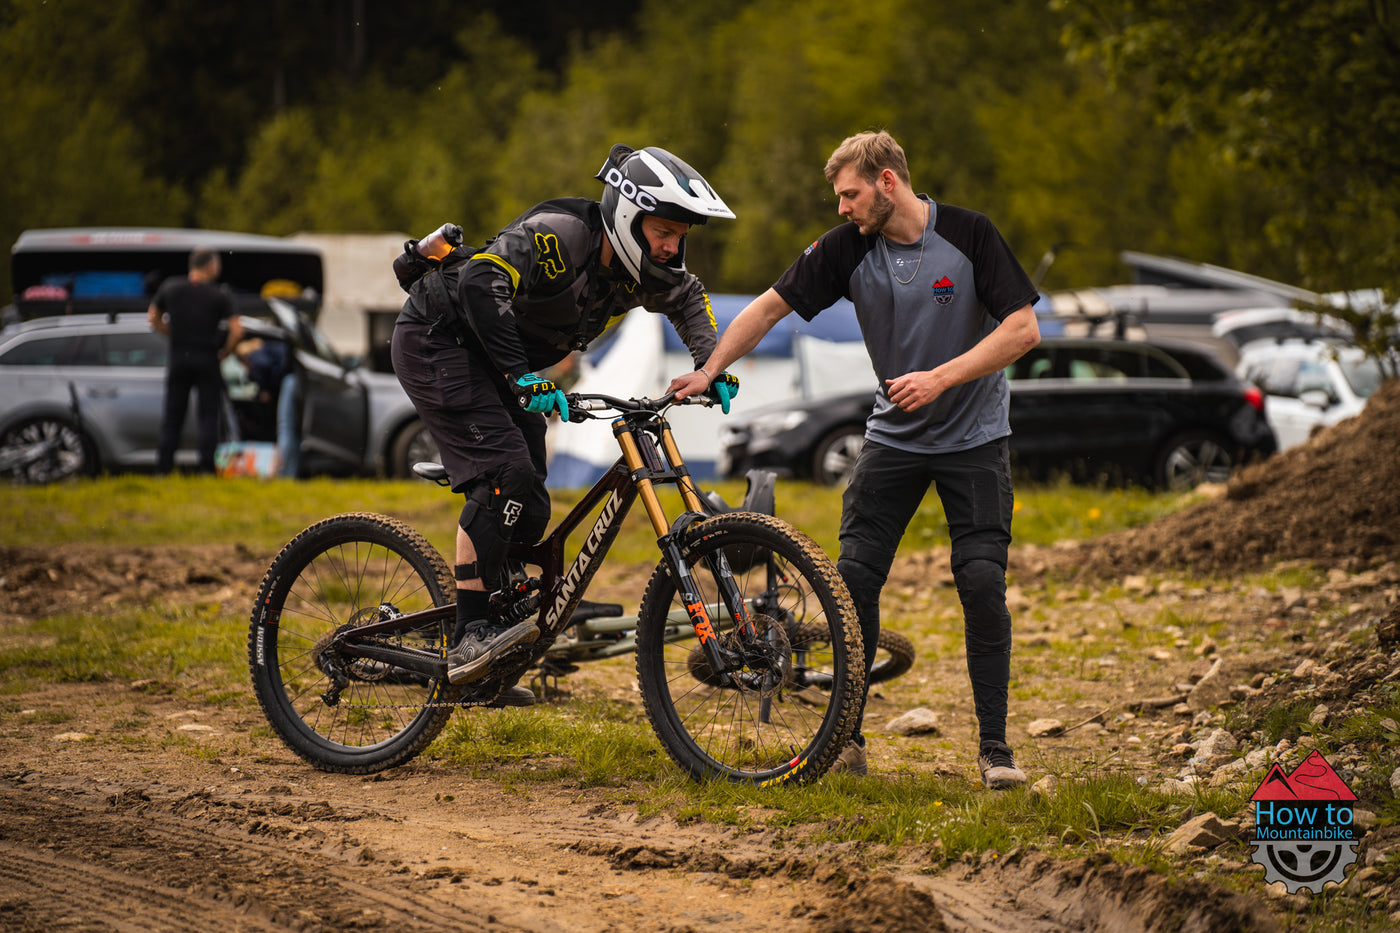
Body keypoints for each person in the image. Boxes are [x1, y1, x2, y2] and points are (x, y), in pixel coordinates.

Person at [670, 131, 1041, 788]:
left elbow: (1022, 330)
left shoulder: (971, 235)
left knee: (982, 581)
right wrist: (711, 368)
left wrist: (940, 378)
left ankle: (995, 750)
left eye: (850, 194)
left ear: (888, 182)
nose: (841, 208)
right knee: (851, 582)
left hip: (976, 439)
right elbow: (769, 306)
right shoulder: (847, 249)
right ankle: (847, 738)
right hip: (893, 441)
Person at [390, 144, 739, 702]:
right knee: (505, 474)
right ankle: (468, 638)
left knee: (530, 506)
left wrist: (710, 364)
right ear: (629, 216)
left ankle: (493, 653)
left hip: (501, 364)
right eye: (664, 231)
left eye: (681, 236)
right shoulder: (560, 234)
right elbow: (482, 281)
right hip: (440, 341)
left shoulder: (643, 269)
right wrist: (518, 374)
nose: (673, 247)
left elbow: (689, 298)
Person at [148, 248, 242, 474]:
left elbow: (153, 317)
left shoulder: (171, 287)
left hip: (179, 356)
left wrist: (172, 334)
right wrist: (226, 351)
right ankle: (207, 468)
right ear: (210, 265)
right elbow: (237, 330)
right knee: (208, 415)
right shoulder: (219, 294)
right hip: (207, 357)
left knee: (173, 415)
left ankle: (164, 468)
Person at [233, 337, 301, 478]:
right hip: (295, 380)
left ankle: (284, 473)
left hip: (288, 382)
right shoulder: (268, 348)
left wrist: (264, 388)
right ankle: (291, 471)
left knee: (284, 427)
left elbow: (262, 366)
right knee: (292, 429)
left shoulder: (255, 355)